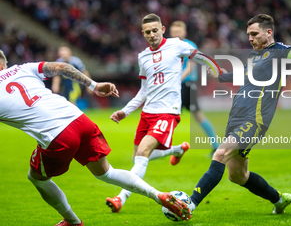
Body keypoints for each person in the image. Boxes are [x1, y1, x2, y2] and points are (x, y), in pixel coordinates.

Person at [0, 50, 192, 226]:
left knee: (37, 178)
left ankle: (72, 221)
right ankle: (159, 195)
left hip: (58, 136)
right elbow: (61, 67)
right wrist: (94, 85)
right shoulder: (22, 69)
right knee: (106, 172)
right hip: (80, 120)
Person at [190, 14, 291, 214]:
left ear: (269, 32)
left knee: (220, 153)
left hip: (255, 120)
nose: (250, 39)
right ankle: (279, 199)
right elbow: (243, 75)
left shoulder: (280, 52)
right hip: (235, 118)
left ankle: (188, 204)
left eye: (254, 34)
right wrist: (221, 76)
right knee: (237, 176)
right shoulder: (254, 56)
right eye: (248, 35)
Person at [106, 13, 221, 213]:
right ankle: (177, 149)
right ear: (143, 34)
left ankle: (121, 198)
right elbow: (144, 90)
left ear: (162, 29)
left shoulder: (176, 45)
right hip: (147, 113)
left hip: (167, 112)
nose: (152, 34)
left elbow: (199, 56)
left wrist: (215, 69)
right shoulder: (143, 56)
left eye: (155, 30)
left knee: (142, 153)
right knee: (137, 159)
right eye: (148, 32)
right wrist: (125, 111)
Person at [169, 21, 218, 153]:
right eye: (174, 32)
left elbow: (191, 67)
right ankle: (162, 145)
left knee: (196, 114)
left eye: (179, 32)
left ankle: (216, 145)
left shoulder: (190, 46)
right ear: (170, 33)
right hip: (174, 85)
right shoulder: (167, 46)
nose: (177, 35)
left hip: (187, 85)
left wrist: (177, 80)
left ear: (184, 33)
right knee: (169, 115)